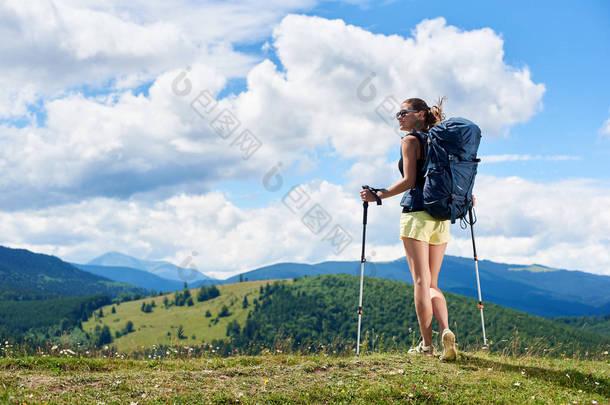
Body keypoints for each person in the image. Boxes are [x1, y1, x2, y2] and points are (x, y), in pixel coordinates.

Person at [359, 96, 458, 361]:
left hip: (416, 214)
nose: (399, 117)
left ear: (421, 115)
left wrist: (378, 194)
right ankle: (446, 330)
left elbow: (409, 181)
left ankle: (427, 346)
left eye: (404, 112)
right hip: (440, 218)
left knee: (420, 282)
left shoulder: (410, 141)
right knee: (433, 282)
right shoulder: (441, 143)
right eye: (398, 114)